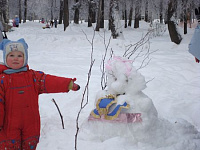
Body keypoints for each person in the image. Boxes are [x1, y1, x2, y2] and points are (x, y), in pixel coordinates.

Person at [0, 38, 80, 149]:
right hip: (8, 127)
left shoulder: (33, 77)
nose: (15, 59)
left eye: (19, 56)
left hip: (30, 125)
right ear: (5, 57)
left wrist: (68, 84)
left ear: (25, 58)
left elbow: (49, 81)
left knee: (30, 145)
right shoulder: (2, 80)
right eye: (11, 55)